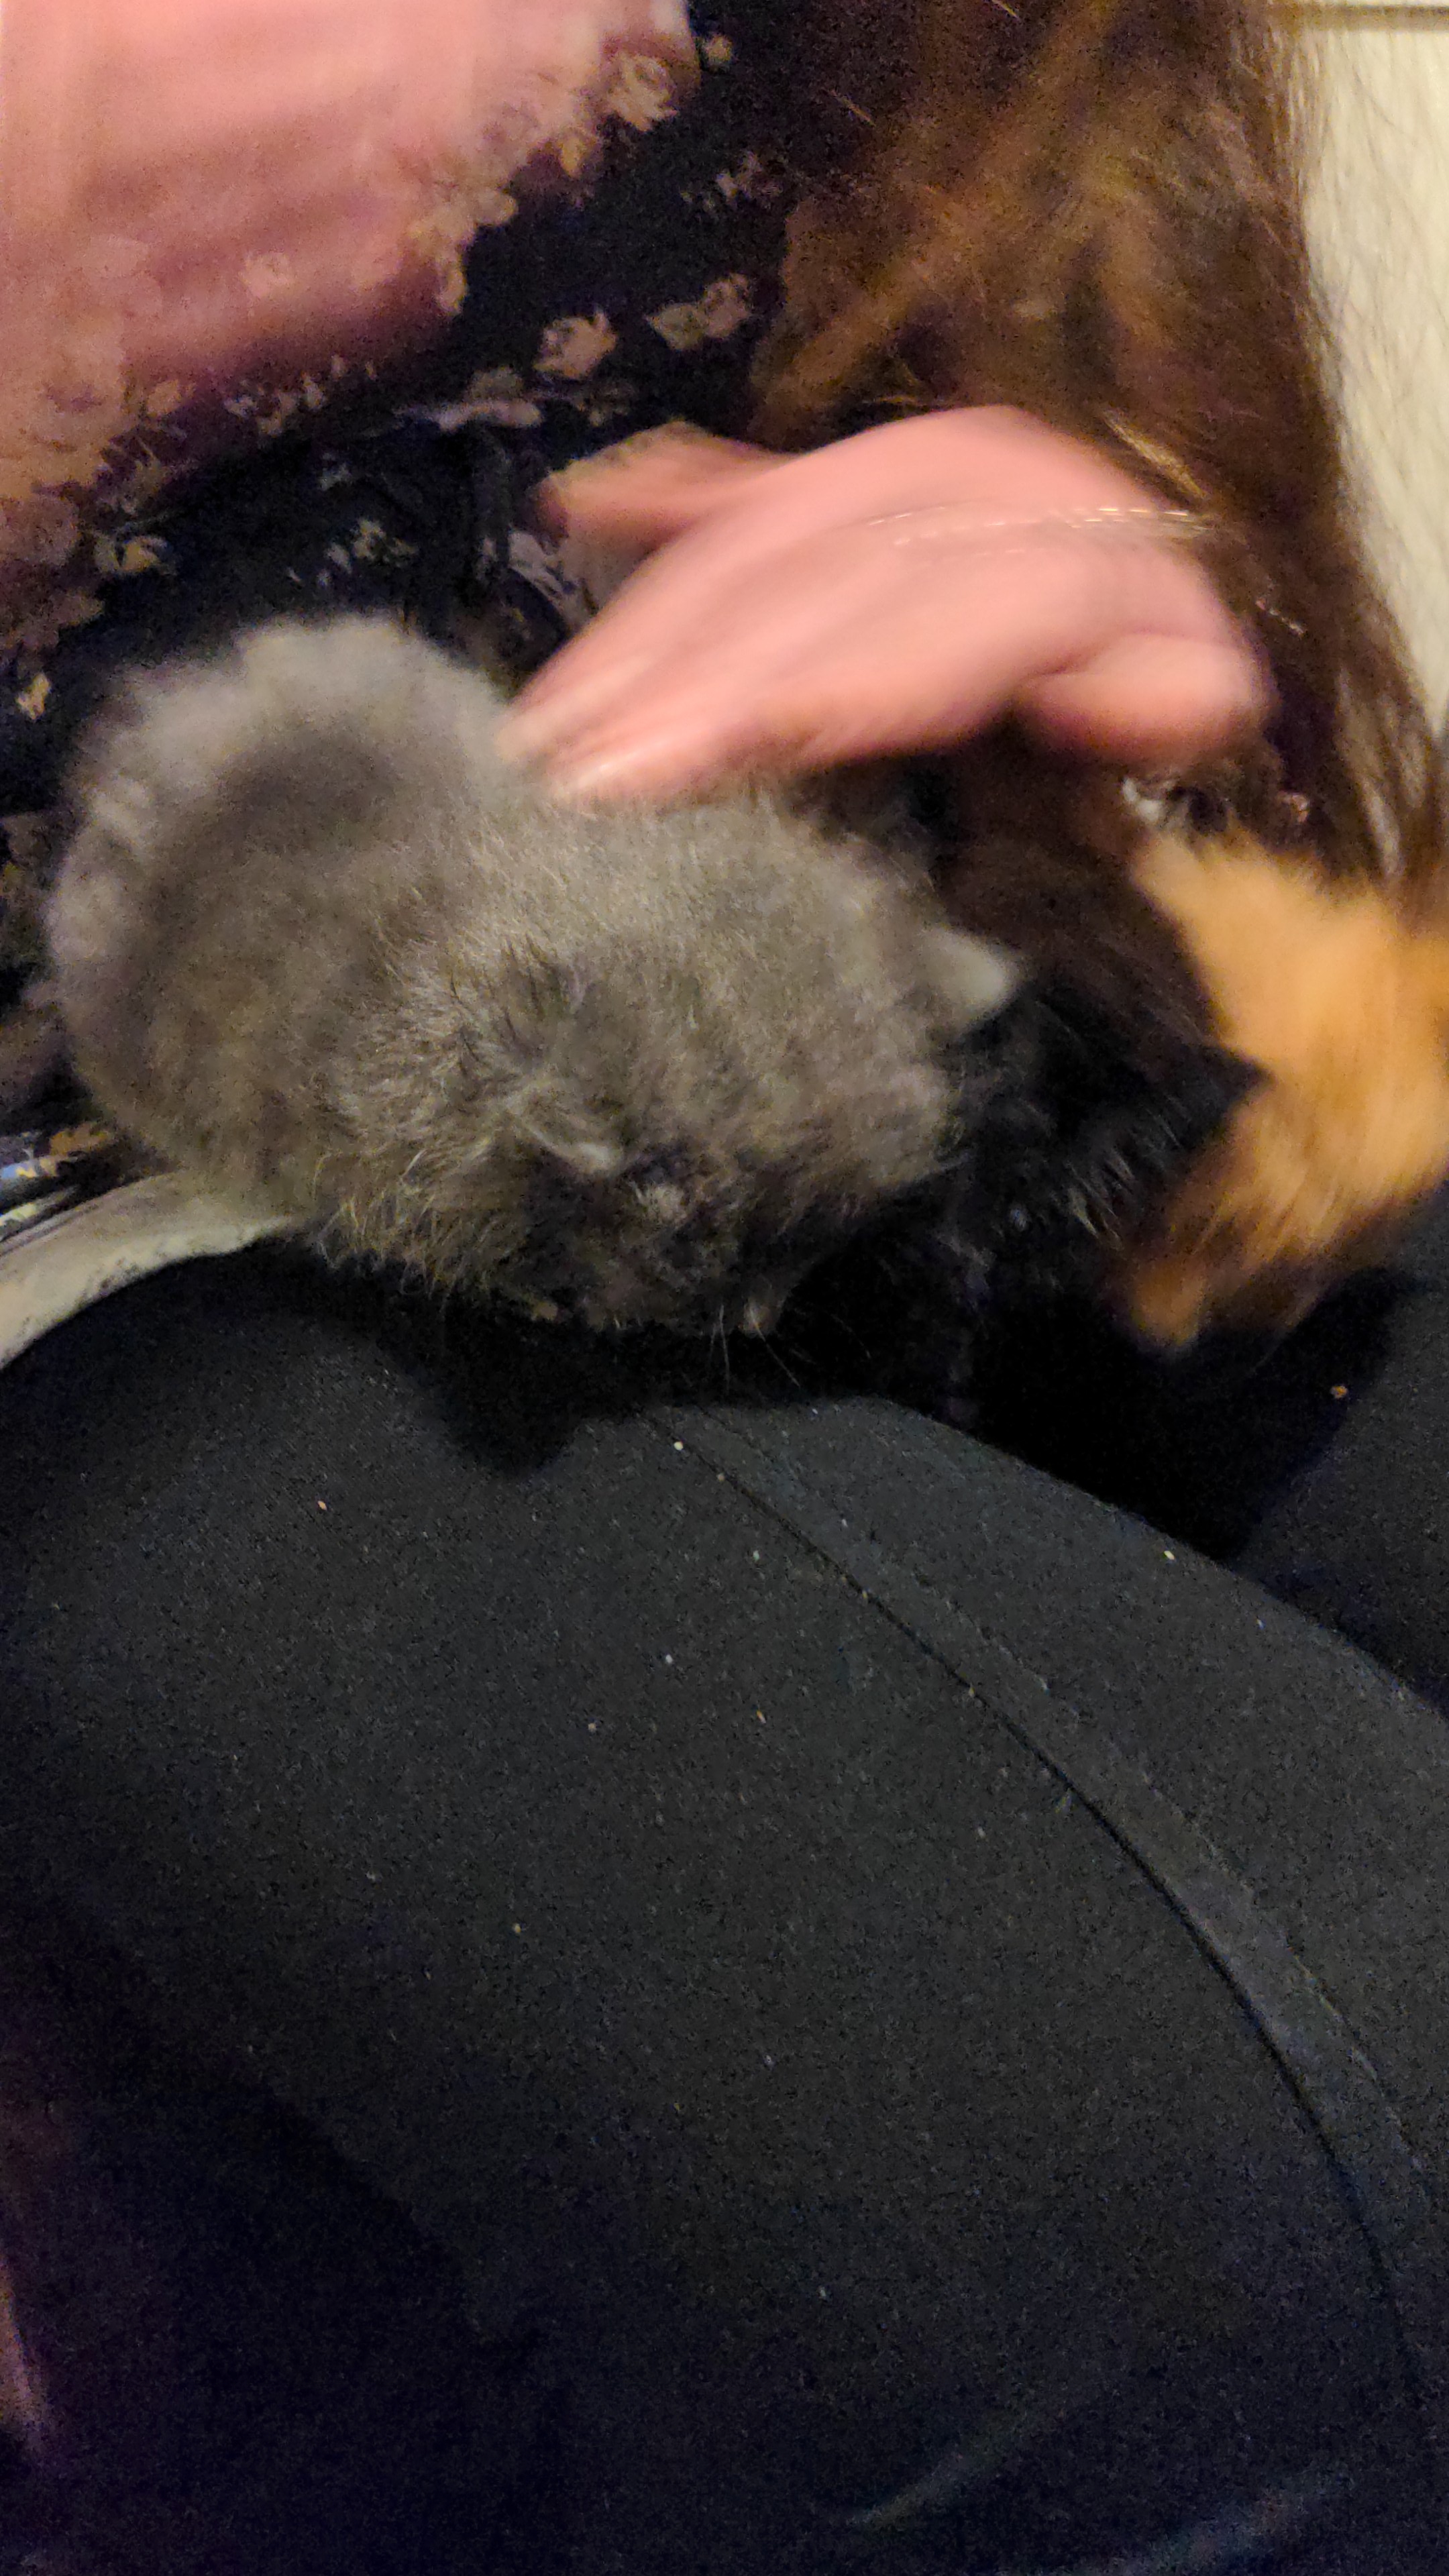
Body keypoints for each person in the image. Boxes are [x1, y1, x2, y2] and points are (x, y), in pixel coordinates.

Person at [3, 2, 1449, 2568]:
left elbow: (1096, 541)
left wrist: (1076, 537)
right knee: (1178, 2187)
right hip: (80, 1206)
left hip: (857, 1008)